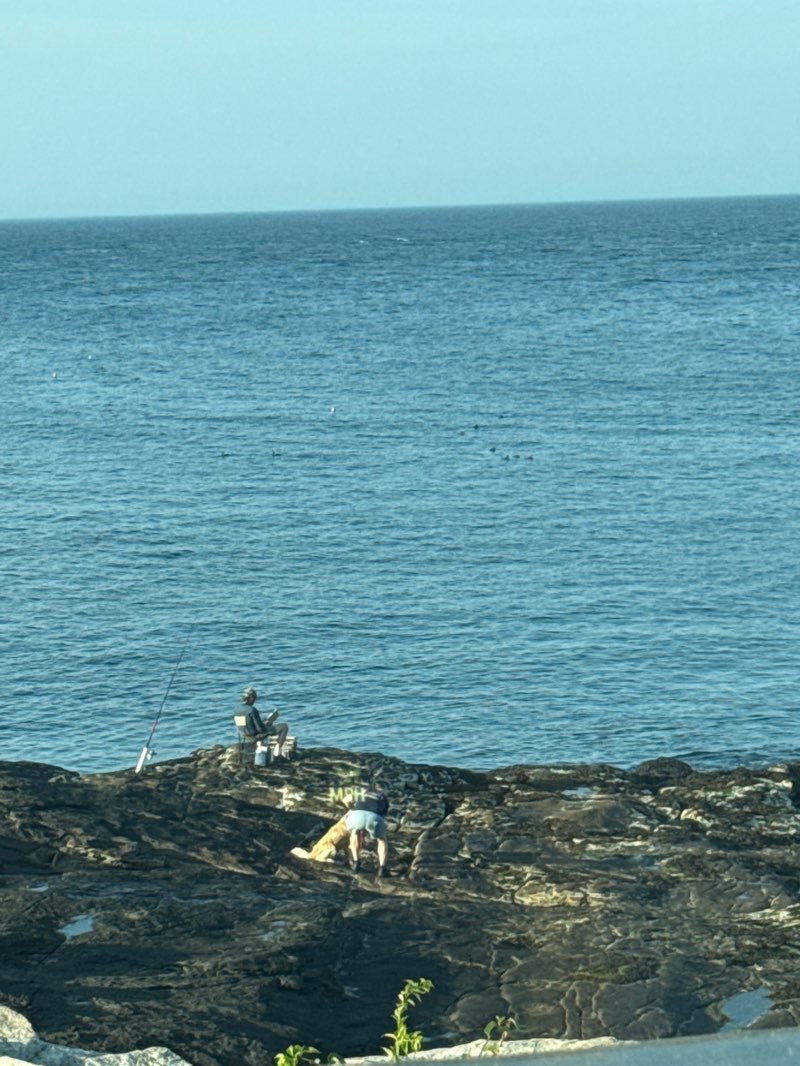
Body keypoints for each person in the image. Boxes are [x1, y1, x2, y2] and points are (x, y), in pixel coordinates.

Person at [344, 779, 390, 877]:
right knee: (382, 840)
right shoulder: (383, 797)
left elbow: (346, 799)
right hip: (374, 817)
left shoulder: (361, 793)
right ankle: (382, 868)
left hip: (357, 814)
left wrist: (351, 808)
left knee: (354, 834)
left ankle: (355, 862)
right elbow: (383, 814)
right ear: (384, 790)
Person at [240, 687, 289, 758]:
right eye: (255, 698)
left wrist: (265, 722)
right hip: (255, 735)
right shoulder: (252, 710)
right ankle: (277, 751)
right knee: (284, 727)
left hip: (244, 734)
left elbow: (249, 723)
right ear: (251, 698)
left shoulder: (238, 709)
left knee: (265, 721)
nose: (255, 701)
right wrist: (269, 723)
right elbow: (260, 729)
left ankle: (259, 746)